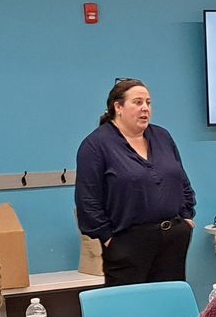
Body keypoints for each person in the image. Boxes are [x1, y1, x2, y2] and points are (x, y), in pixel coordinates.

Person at [74, 77, 196, 287]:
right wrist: (108, 238)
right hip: (126, 243)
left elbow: (181, 180)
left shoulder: (162, 136)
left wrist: (186, 217)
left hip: (173, 238)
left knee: (169, 305)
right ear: (118, 107)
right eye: (138, 102)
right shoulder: (96, 145)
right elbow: (88, 200)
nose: (145, 108)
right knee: (132, 310)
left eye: (148, 103)